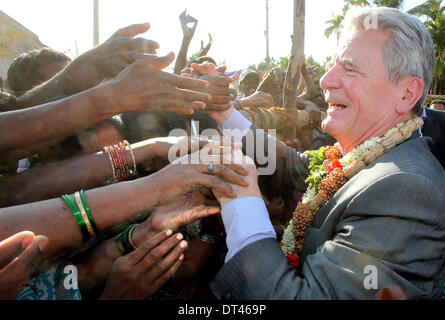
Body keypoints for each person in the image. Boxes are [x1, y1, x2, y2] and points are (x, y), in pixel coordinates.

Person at [207, 7, 445, 299]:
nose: (325, 80)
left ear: (407, 94)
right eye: (332, 66)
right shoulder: (363, 157)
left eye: (350, 68)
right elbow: (291, 164)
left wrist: (240, 200)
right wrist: (224, 114)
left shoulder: (406, 188)